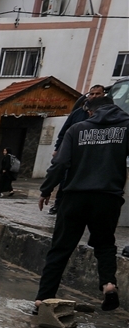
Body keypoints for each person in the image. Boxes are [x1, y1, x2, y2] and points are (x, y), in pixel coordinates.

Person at [34, 94, 128, 312]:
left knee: (60, 249)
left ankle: (42, 300)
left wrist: (46, 189)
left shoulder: (77, 129)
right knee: (105, 245)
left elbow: (60, 163)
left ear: (89, 111)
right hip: (108, 197)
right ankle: (108, 285)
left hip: (75, 197)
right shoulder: (126, 127)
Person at [49, 84, 105, 214]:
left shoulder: (110, 115)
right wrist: (58, 149)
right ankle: (59, 204)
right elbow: (64, 132)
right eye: (92, 94)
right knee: (65, 178)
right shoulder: (78, 114)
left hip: (95, 155)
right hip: (74, 153)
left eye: (98, 94)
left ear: (103, 95)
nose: (94, 96)